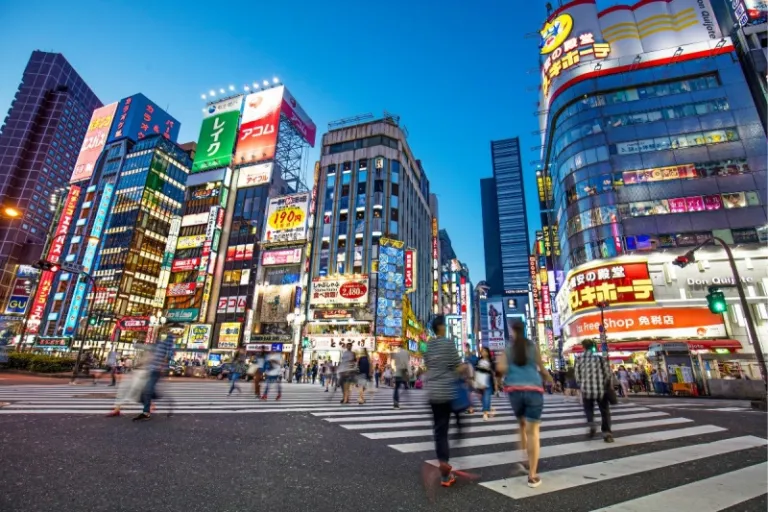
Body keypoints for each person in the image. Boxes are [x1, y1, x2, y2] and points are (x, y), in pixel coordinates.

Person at [496, 322, 551, 488]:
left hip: (514, 391)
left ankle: (525, 457)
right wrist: (549, 378)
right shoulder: (532, 347)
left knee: (521, 423)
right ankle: (532, 475)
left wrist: (499, 380)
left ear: (512, 331)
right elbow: (541, 368)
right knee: (533, 431)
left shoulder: (508, 348)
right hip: (533, 389)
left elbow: (500, 368)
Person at [424, 315, 462, 487]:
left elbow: (428, 365)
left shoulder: (429, 345)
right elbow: (457, 365)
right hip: (447, 391)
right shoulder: (448, 343)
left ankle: (443, 465)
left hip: (433, 393)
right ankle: (445, 471)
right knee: (450, 423)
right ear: (441, 327)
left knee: (439, 430)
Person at [574, 340, 614, 443]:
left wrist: (583, 383)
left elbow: (577, 377)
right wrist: (603, 383)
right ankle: (607, 433)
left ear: (583, 347)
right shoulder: (600, 359)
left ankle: (591, 423)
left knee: (588, 409)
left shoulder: (579, 359)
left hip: (586, 389)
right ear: (593, 347)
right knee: (604, 411)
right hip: (600, 389)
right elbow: (607, 374)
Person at [133, 333, 175, 421]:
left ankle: (146, 412)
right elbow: (149, 350)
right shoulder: (158, 344)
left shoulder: (167, 344)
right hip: (151, 370)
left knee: (147, 390)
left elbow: (169, 354)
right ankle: (165, 400)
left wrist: (162, 366)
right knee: (146, 392)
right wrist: (137, 345)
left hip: (156, 371)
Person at [475, 348, 496, 421]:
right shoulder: (478, 361)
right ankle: (491, 409)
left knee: (486, 397)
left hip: (488, 381)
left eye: (484, 351)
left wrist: (496, 385)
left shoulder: (491, 362)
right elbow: (476, 371)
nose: (482, 353)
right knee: (482, 398)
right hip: (479, 381)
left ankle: (485, 413)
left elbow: (493, 374)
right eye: (481, 351)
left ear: (487, 352)